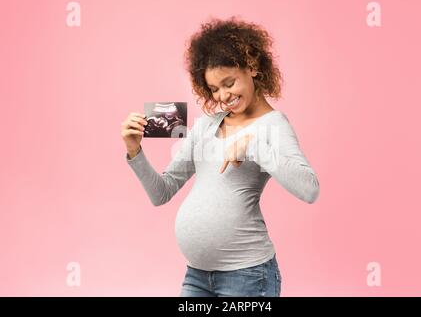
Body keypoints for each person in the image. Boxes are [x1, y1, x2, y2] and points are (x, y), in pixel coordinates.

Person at [120, 17, 320, 297]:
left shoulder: (273, 125)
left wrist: (254, 147)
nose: (223, 96)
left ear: (251, 66)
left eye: (229, 83)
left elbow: (310, 189)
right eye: (214, 89)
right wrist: (134, 150)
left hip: (248, 277)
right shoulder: (206, 124)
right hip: (197, 276)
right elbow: (161, 193)